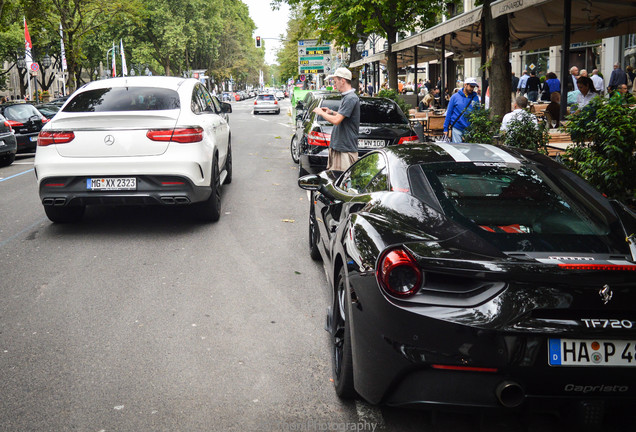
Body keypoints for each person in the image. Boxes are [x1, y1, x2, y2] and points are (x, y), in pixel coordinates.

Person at [312, 67, 360, 172]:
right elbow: (345, 116)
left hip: (345, 149)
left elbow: (336, 120)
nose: (334, 84)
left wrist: (321, 113)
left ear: (343, 81)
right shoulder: (347, 97)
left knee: (342, 181)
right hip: (340, 147)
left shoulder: (350, 98)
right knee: (336, 179)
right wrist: (331, 112)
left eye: (335, 81)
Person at [443, 77, 480, 143]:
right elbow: (449, 112)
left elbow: (478, 112)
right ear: (465, 85)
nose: (472, 89)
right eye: (471, 86)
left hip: (470, 128)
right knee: (458, 149)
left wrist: (477, 127)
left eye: (474, 87)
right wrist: (445, 128)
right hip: (457, 126)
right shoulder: (454, 97)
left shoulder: (475, 98)